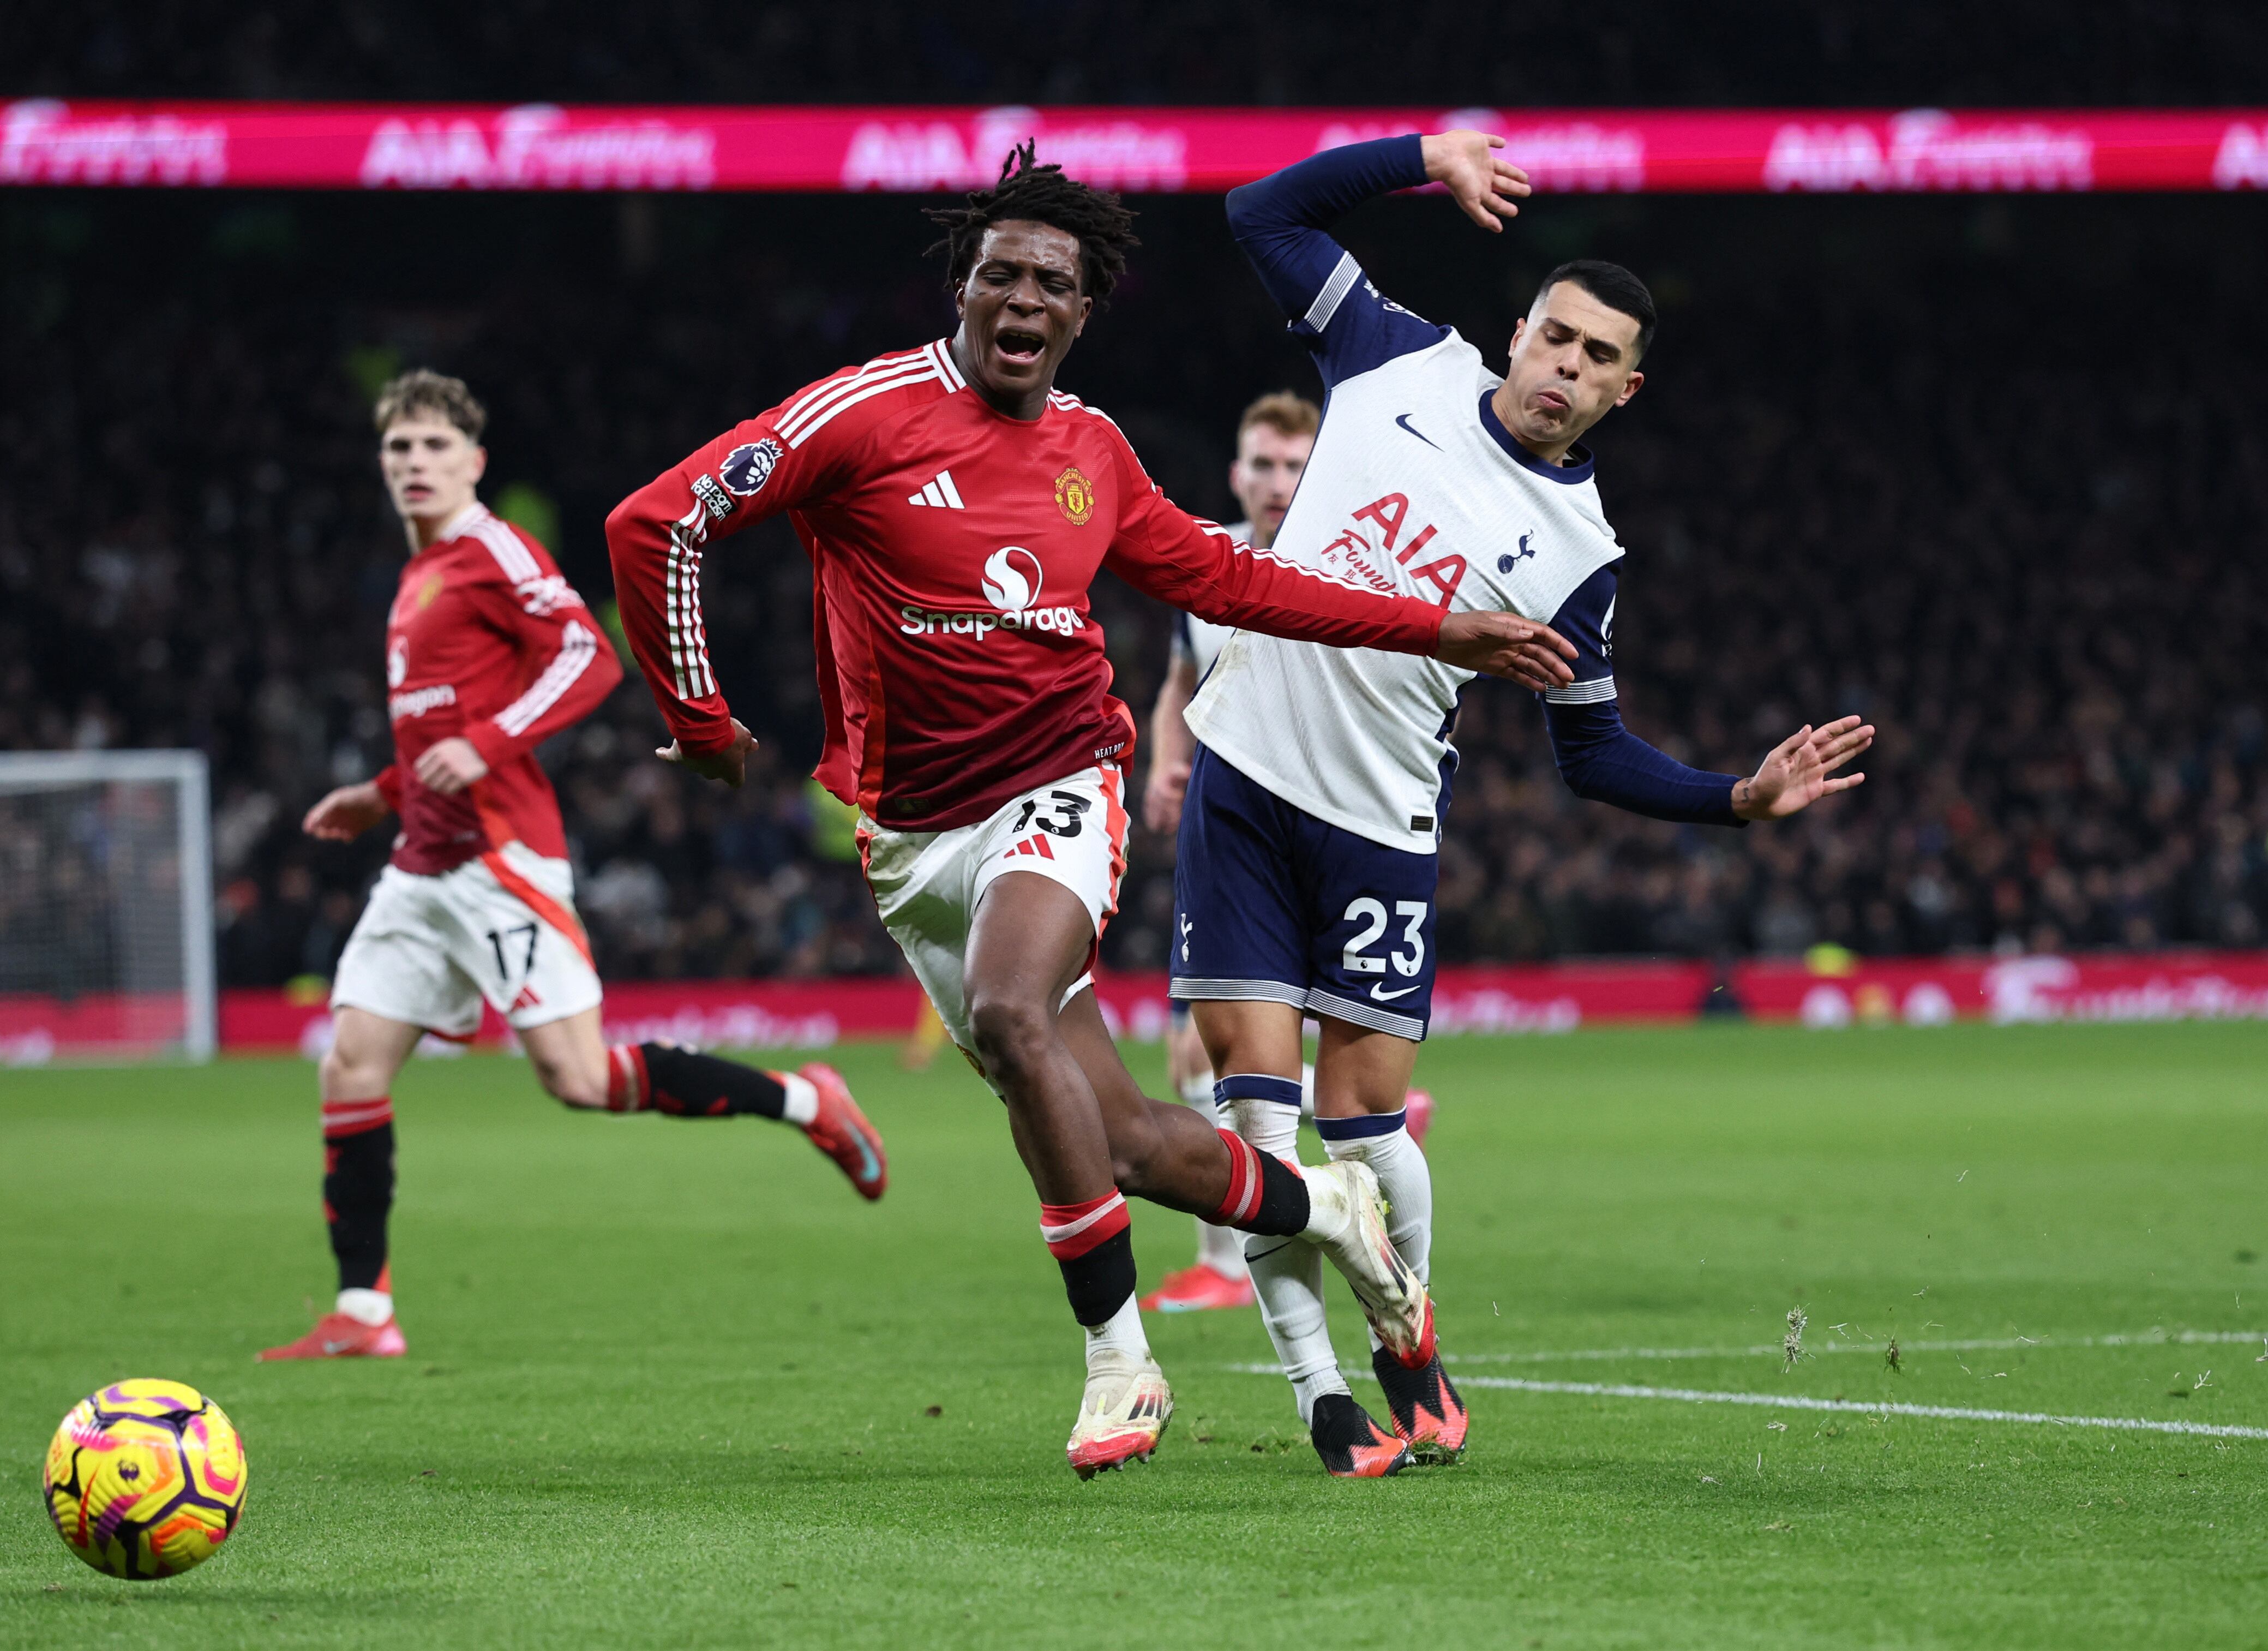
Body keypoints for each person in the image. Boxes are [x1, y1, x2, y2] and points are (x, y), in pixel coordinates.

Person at [605, 145, 1581, 1477]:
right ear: (965, 287)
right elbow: (654, 523)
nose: (1021, 299)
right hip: (909, 838)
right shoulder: (862, 415)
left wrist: (1441, 631)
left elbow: (1239, 581)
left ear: (1080, 311)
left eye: (1050, 284)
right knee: (1120, 1139)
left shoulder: (1093, 453)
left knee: (1015, 1012)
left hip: (1058, 783)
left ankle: (1120, 1361)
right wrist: (699, 716)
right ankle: (1334, 1211)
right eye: (999, 273)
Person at [1177, 131, 1875, 1473]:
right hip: (1243, 788)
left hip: (1379, 829)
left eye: (1597, 357)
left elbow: (1591, 753)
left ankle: (1407, 1339)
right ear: (1518, 331)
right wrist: (1421, 157)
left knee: (1364, 1133)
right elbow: (1257, 209)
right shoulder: (1393, 358)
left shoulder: (1578, 556)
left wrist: (1738, 794)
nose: (1565, 367)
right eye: (1554, 336)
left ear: (1627, 389)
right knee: (1257, 1125)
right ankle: (1322, 1396)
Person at [259, 371, 887, 1363]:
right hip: (422, 863)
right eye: (398, 450)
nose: (414, 464)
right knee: (351, 1064)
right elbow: (438, 724)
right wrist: (382, 791)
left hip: (502, 860)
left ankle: (809, 1100)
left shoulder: (491, 548)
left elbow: (589, 655)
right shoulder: (417, 576)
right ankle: (363, 1311)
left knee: (582, 1079)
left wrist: (497, 740)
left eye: (433, 447)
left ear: (474, 461)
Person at [1133, 391, 1434, 1317]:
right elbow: (1183, 676)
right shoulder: (1211, 564)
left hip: (1335, 838)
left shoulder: (1346, 565)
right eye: (1261, 464)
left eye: (1294, 466)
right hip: (1235, 839)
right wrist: (1164, 762)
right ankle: (1227, 1260)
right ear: (1235, 473)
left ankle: (1243, 1253)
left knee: (1213, 1055)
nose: (1276, 482)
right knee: (1198, 1049)